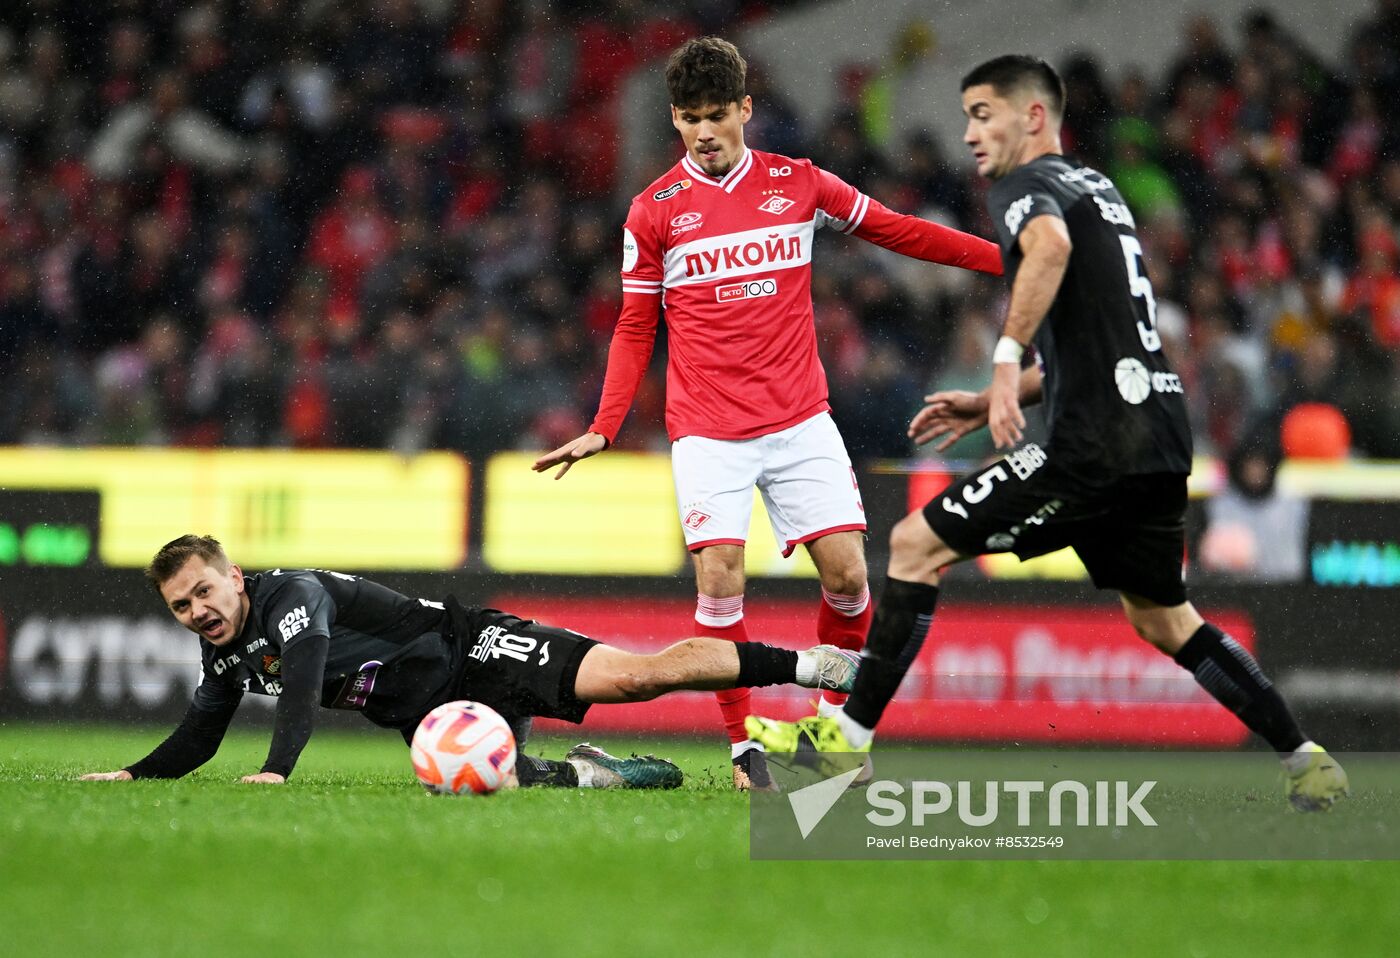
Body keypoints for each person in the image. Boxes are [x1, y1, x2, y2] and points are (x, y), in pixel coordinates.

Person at [747, 55, 1349, 812]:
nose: (970, 132)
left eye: (982, 113)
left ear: (1033, 117)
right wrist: (996, 395)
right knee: (1164, 617)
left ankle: (845, 746)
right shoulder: (1098, 189)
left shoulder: (1026, 187)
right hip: (1158, 431)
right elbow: (1102, 340)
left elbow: (1051, 251)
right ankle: (1305, 757)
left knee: (912, 546)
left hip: (1092, 442)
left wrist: (1003, 363)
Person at [532, 37, 1003, 789]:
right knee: (719, 584)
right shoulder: (654, 212)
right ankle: (745, 746)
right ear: (675, 120)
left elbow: (900, 230)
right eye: (689, 118)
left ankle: (827, 739)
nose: (705, 132)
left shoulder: (800, 184)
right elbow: (632, 325)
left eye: (718, 115)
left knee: (849, 576)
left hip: (799, 423)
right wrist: (606, 424)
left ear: (746, 109)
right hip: (707, 432)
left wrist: (1008, 260)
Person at [79, 534, 860, 789]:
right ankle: (602, 771)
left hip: (472, 649)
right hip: (426, 716)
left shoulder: (291, 597)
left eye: (204, 593)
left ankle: (808, 666)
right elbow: (201, 733)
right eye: (182, 607)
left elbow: (307, 676)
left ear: (233, 576)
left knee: (637, 675)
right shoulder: (226, 651)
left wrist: (279, 768)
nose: (198, 613)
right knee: (505, 781)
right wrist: (134, 777)